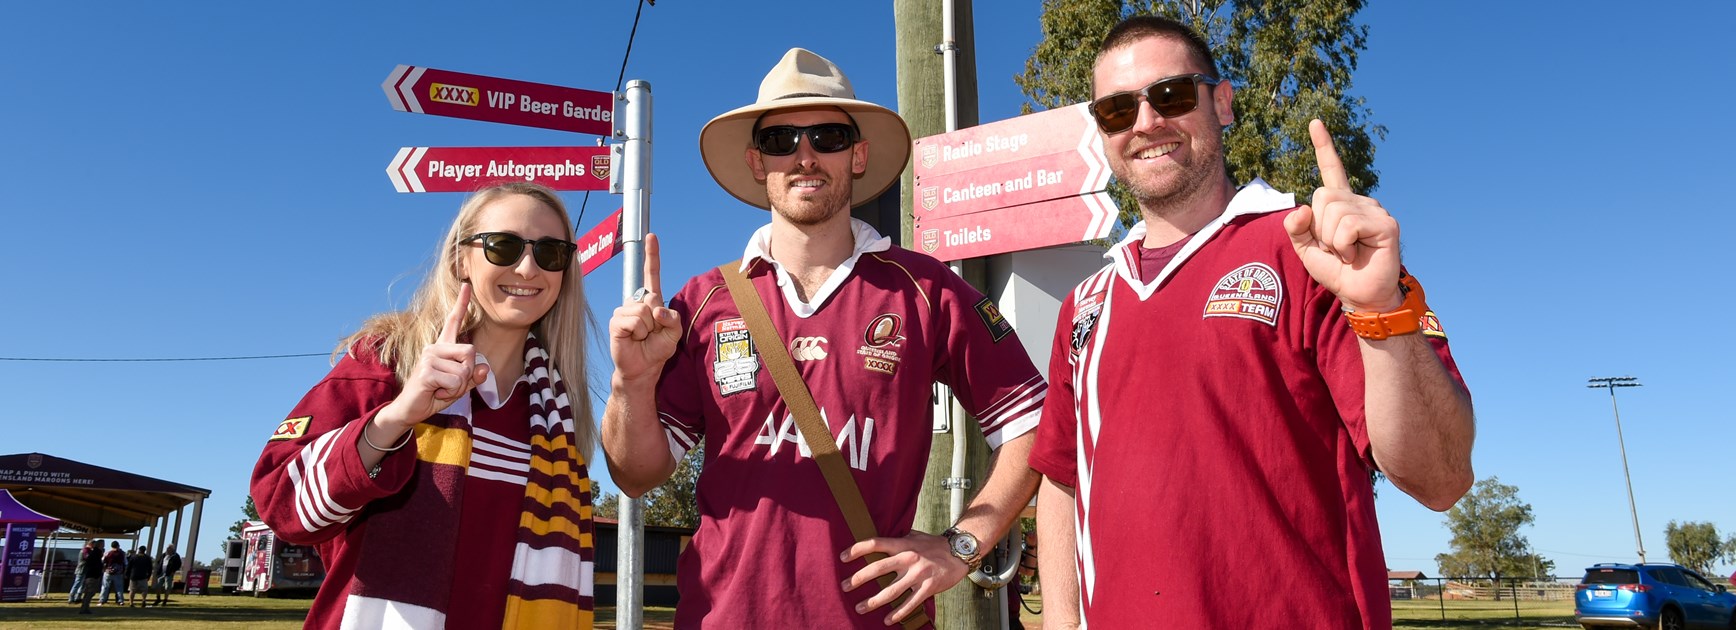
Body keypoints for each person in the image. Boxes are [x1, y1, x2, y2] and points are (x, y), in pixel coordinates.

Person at [1028, 15, 1476, 630]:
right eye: (1116, 110)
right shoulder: (1086, 303)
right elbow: (1061, 480)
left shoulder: (1318, 253)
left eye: (1171, 95)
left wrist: (1380, 312)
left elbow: (1441, 478)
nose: (1146, 123)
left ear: (1222, 103)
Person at [602, 48, 1049, 628]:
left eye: (828, 137)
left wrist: (962, 544)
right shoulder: (704, 300)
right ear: (757, 162)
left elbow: (1034, 422)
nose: (805, 155)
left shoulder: (926, 289)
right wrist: (631, 382)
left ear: (857, 155)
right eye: (781, 140)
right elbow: (636, 474)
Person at [250, 182, 599, 629]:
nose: (529, 267)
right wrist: (396, 418)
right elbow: (282, 503)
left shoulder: (556, 413)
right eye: (504, 246)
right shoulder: (388, 358)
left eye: (550, 252)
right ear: (461, 260)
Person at [76, 539, 102, 614]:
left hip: (91, 574)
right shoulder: (94, 553)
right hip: (93, 575)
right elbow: (92, 562)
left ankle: (84, 607)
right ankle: (84, 607)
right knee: (89, 592)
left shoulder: (93, 552)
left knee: (89, 592)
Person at [67, 539, 96, 604]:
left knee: (82, 584)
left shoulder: (87, 550)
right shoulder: (85, 550)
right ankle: (71, 598)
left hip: (85, 569)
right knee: (77, 583)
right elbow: (88, 557)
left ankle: (78, 597)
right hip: (82, 569)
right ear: (91, 544)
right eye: (94, 544)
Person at [98, 540, 125, 605]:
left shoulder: (107, 553)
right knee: (119, 587)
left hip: (108, 572)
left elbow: (102, 561)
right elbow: (125, 563)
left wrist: (104, 568)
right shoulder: (122, 554)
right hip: (118, 573)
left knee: (105, 587)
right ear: (118, 546)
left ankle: (102, 600)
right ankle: (120, 600)